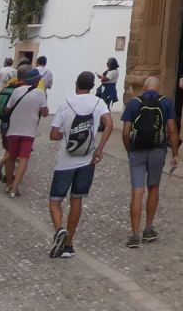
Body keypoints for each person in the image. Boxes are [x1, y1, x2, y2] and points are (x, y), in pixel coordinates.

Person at [46, 71, 112, 259]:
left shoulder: (66, 103)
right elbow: (109, 123)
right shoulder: (98, 103)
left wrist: (63, 135)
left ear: (76, 84)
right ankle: (69, 244)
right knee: (77, 200)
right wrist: (99, 149)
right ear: (92, 86)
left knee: (55, 200)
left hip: (65, 161)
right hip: (87, 160)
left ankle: (59, 229)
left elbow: (53, 134)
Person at [120, 77, 179, 246]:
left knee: (137, 191)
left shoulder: (133, 103)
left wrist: (129, 149)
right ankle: (148, 228)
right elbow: (172, 130)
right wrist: (175, 153)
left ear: (144, 88)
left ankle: (134, 234)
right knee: (153, 187)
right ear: (158, 89)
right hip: (157, 150)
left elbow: (125, 132)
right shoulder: (166, 103)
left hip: (137, 150)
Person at [2, 66, 48, 197]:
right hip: (29, 130)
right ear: (36, 81)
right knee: (23, 158)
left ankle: (8, 184)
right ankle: (14, 188)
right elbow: (45, 113)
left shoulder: (16, 91)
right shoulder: (40, 93)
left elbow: (7, 108)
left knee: (11, 157)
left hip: (14, 129)